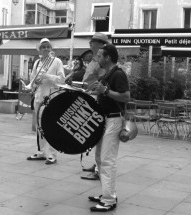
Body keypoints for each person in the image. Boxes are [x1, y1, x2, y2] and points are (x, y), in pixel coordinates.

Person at [88, 43, 130, 212]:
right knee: (99, 159)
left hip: (113, 120)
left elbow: (126, 97)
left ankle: (109, 200)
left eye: (99, 56)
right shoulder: (108, 74)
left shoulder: (118, 74)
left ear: (108, 58)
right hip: (105, 120)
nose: (97, 58)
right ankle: (107, 192)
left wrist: (104, 91)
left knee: (107, 160)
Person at [26, 38, 65, 165]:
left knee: (51, 126)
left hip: (51, 98)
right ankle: (41, 152)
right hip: (39, 97)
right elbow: (33, 79)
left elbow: (61, 80)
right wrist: (33, 84)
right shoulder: (37, 62)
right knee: (39, 126)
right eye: (43, 47)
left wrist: (47, 76)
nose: (46, 49)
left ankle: (52, 155)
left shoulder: (56, 61)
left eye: (48, 47)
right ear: (39, 49)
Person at [81, 32, 109, 180]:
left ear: (101, 45)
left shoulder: (102, 62)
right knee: (95, 136)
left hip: (97, 100)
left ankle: (99, 168)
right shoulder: (93, 60)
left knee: (99, 136)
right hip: (90, 98)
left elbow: (102, 82)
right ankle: (96, 163)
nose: (90, 44)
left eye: (93, 41)